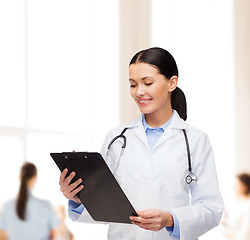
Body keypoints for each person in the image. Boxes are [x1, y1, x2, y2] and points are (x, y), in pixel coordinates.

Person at [59, 47, 224, 239]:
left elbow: (211, 209)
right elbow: (104, 205)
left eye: (148, 82)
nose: (139, 92)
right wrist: (77, 198)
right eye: (133, 84)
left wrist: (171, 219)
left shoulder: (195, 140)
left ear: (172, 83)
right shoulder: (117, 138)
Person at [0, 162, 59, 240]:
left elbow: (2, 237)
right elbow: (54, 236)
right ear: (35, 177)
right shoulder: (46, 205)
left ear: (20, 177)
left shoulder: (6, 206)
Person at [221, 173, 250, 239]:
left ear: (245, 186)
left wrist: (230, 234)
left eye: (237, 184)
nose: (233, 187)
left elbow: (247, 231)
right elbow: (235, 221)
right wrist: (224, 222)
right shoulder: (239, 202)